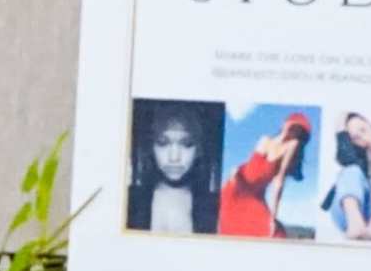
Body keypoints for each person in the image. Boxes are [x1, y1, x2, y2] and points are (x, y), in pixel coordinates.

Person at [127, 101, 217, 234]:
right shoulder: (129, 202)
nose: (174, 157)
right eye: (163, 143)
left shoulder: (214, 208)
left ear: (199, 149)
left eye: (186, 144)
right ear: (151, 147)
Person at [222, 110, 314, 237]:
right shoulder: (265, 140)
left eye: (299, 131)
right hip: (238, 188)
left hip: (256, 196)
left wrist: (273, 217)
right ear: (285, 125)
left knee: (275, 233)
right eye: (293, 127)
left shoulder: (291, 146)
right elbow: (250, 167)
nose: (294, 132)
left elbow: (279, 182)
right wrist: (235, 175)